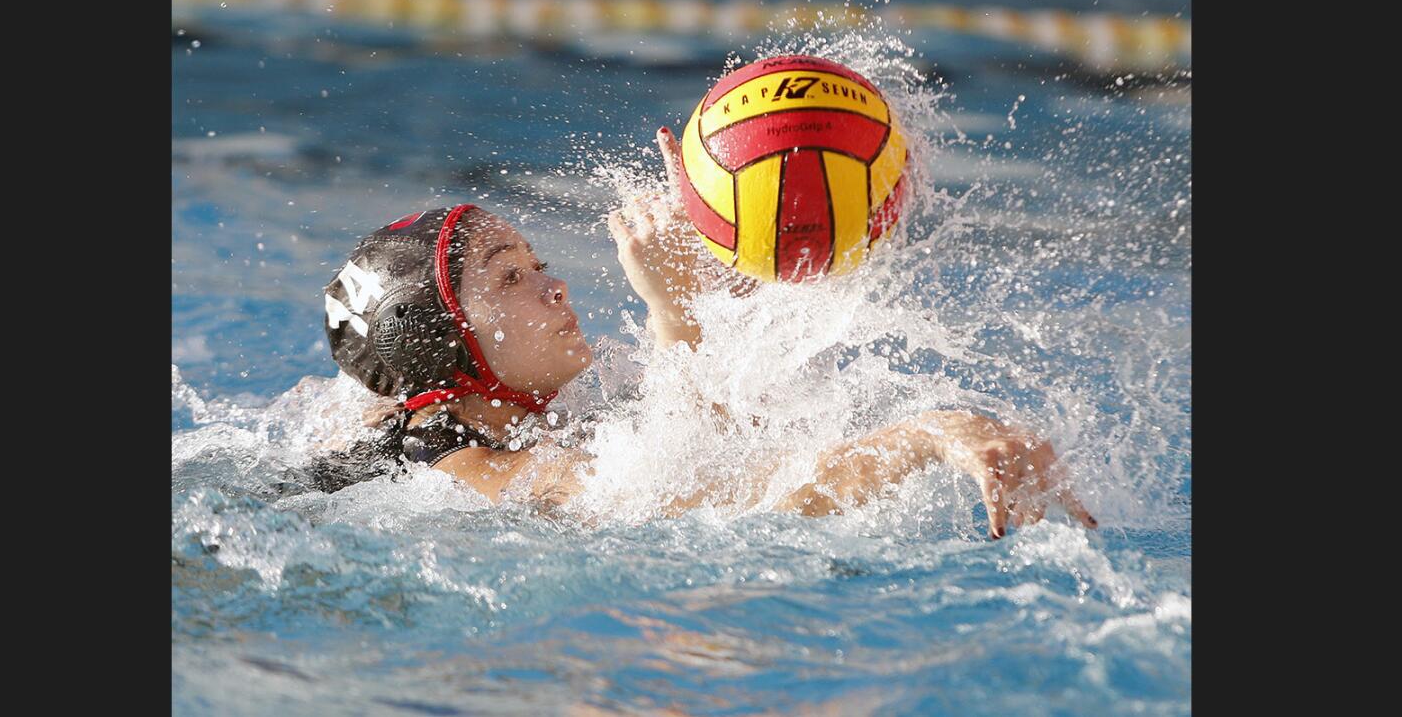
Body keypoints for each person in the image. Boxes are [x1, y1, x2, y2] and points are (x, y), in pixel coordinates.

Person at [311, 129, 1096, 538]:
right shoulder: (462, 474)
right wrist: (924, 437)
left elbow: (720, 432)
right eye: (509, 278)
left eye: (537, 261)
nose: (556, 284)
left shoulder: (520, 416)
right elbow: (719, 502)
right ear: (444, 344)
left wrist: (721, 263)